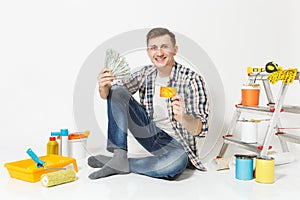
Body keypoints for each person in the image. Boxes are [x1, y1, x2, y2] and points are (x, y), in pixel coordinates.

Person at [88, 27, 209, 180]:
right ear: (148, 52)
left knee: (175, 163)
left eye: (165, 47)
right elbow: (113, 97)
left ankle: (122, 163)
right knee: (117, 90)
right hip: (151, 136)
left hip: (178, 148)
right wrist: (103, 87)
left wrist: (184, 117)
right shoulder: (145, 74)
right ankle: (119, 155)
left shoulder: (192, 80)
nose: (159, 53)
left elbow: (201, 129)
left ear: (175, 50)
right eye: (154, 48)